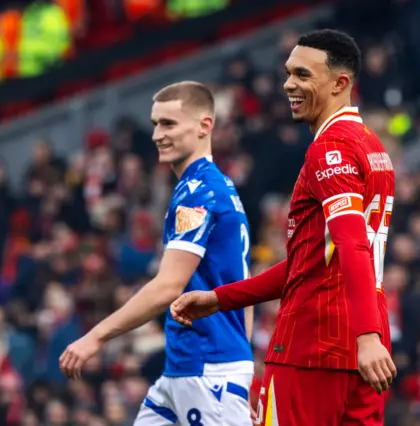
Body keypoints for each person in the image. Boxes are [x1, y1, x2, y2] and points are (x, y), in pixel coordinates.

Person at [170, 30, 397, 425]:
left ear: (340, 83)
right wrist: (220, 299)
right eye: (289, 73)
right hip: (363, 347)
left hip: (313, 345)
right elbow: (309, 263)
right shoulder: (372, 147)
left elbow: (351, 244)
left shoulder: (330, 150)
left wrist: (367, 337)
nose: (288, 84)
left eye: (303, 75)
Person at [59, 81, 255, 426]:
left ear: (204, 126)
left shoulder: (199, 193)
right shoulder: (218, 187)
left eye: (168, 124)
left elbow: (168, 287)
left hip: (206, 370)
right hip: (189, 368)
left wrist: (95, 338)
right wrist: (241, 367)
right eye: (155, 124)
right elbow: (245, 286)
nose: (157, 135)